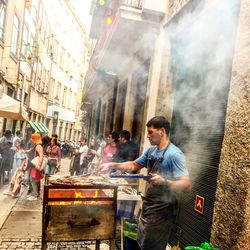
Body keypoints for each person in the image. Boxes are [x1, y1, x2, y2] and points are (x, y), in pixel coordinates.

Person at [99, 116, 191, 250]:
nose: (147, 135)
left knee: (152, 246)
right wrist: (113, 164)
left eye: (150, 132)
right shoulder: (151, 151)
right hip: (149, 206)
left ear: (162, 131)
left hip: (163, 210)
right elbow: (133, 165)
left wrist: (164, 181)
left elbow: (187, 184)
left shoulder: (175, 154)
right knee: (142, 243)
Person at [26, 133, 44, 201]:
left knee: (33, 180)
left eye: (32, 138)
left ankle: (35, 195)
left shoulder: (38, 146)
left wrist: (39, 164)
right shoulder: (35, 145)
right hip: (32, 165)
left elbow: (41, 155)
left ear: (35, 139)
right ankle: (33, 193)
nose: (31, 139)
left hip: (35, 165)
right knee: (30, 180)